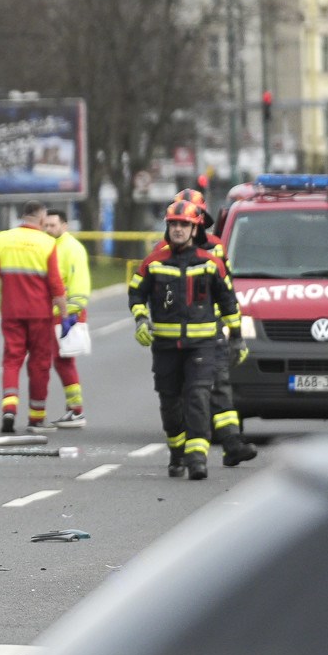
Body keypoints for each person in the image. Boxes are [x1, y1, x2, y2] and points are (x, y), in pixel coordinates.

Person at [129, 198, 241, 480]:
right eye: (174, 224)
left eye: (184, 225)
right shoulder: (154, 262)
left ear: (195, 230)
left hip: (201, 348)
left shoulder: (211, 263)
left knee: (198, 398)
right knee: (170, 404)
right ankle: (177, 452)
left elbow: (229, 303)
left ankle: (197, 459)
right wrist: (141, 318)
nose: (178, 229)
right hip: (166, 348)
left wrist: (237, 339)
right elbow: (136, 293)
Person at [0, 202, 68, 433]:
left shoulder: (4, 239)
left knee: (11, 361)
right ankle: (36, 418)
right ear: (41, 219)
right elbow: (56, 285)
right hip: (40, 315)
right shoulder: (48, 243)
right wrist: (66, 315)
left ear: (23, 216)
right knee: (39, 364)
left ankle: (9, 409)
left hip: (11, 312)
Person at [41, 210, 91, 428]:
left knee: (64, 360)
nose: (49, 229)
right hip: (56, 314)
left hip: (66, 313)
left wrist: (71, 313)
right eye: (47, 225)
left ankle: (76, 411)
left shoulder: (72, 249)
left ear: (65, 226)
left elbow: (78, 284)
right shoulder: (51, 246)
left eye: (53, 225)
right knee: (60, 360)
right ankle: (73, 409)